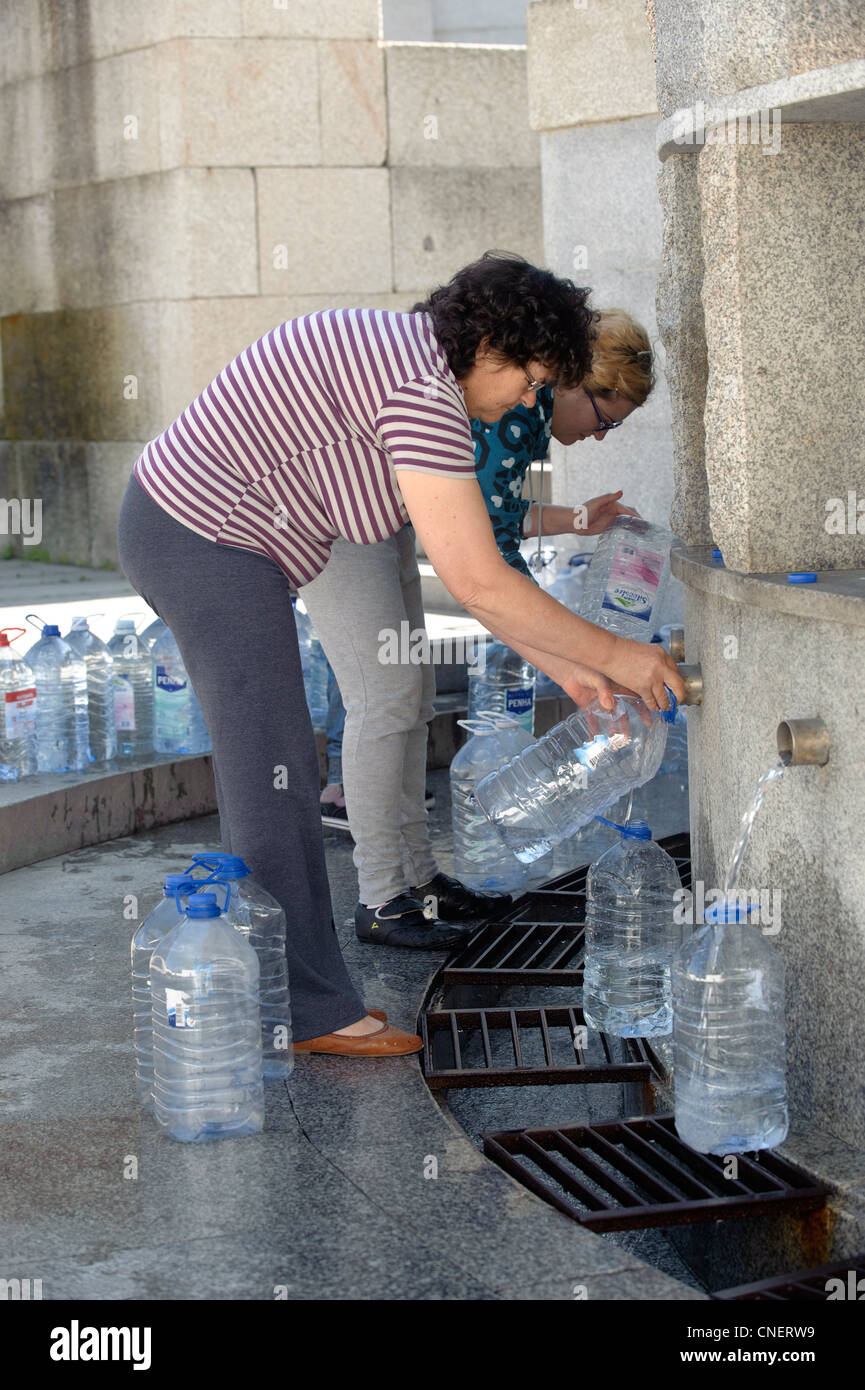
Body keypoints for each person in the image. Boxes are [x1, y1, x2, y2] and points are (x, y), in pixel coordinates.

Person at [117, 251, 684, 1058]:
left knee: (276, 759)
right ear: (490, 344)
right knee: (269, 769)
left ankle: (297, 998)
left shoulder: (417, 361)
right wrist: (621, 660)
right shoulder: (422, 394)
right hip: (201, 537)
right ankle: (306, 1013)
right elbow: (477, 578)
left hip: (222, 536)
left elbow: (476, 560)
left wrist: (570, 669)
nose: (525, 404)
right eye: (528, 382)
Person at [313, 310, 653, 915]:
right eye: (605, 420)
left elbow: (484, 514)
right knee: (384, 696)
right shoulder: (521, 412)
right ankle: (383, 897)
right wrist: (580, 661)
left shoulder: (529, 414)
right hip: (332, 511)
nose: (601, 436)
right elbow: (488, 575)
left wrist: (572, 521)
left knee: (411, 696)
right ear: (573, 382)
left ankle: (419, 880)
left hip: (382, 515)